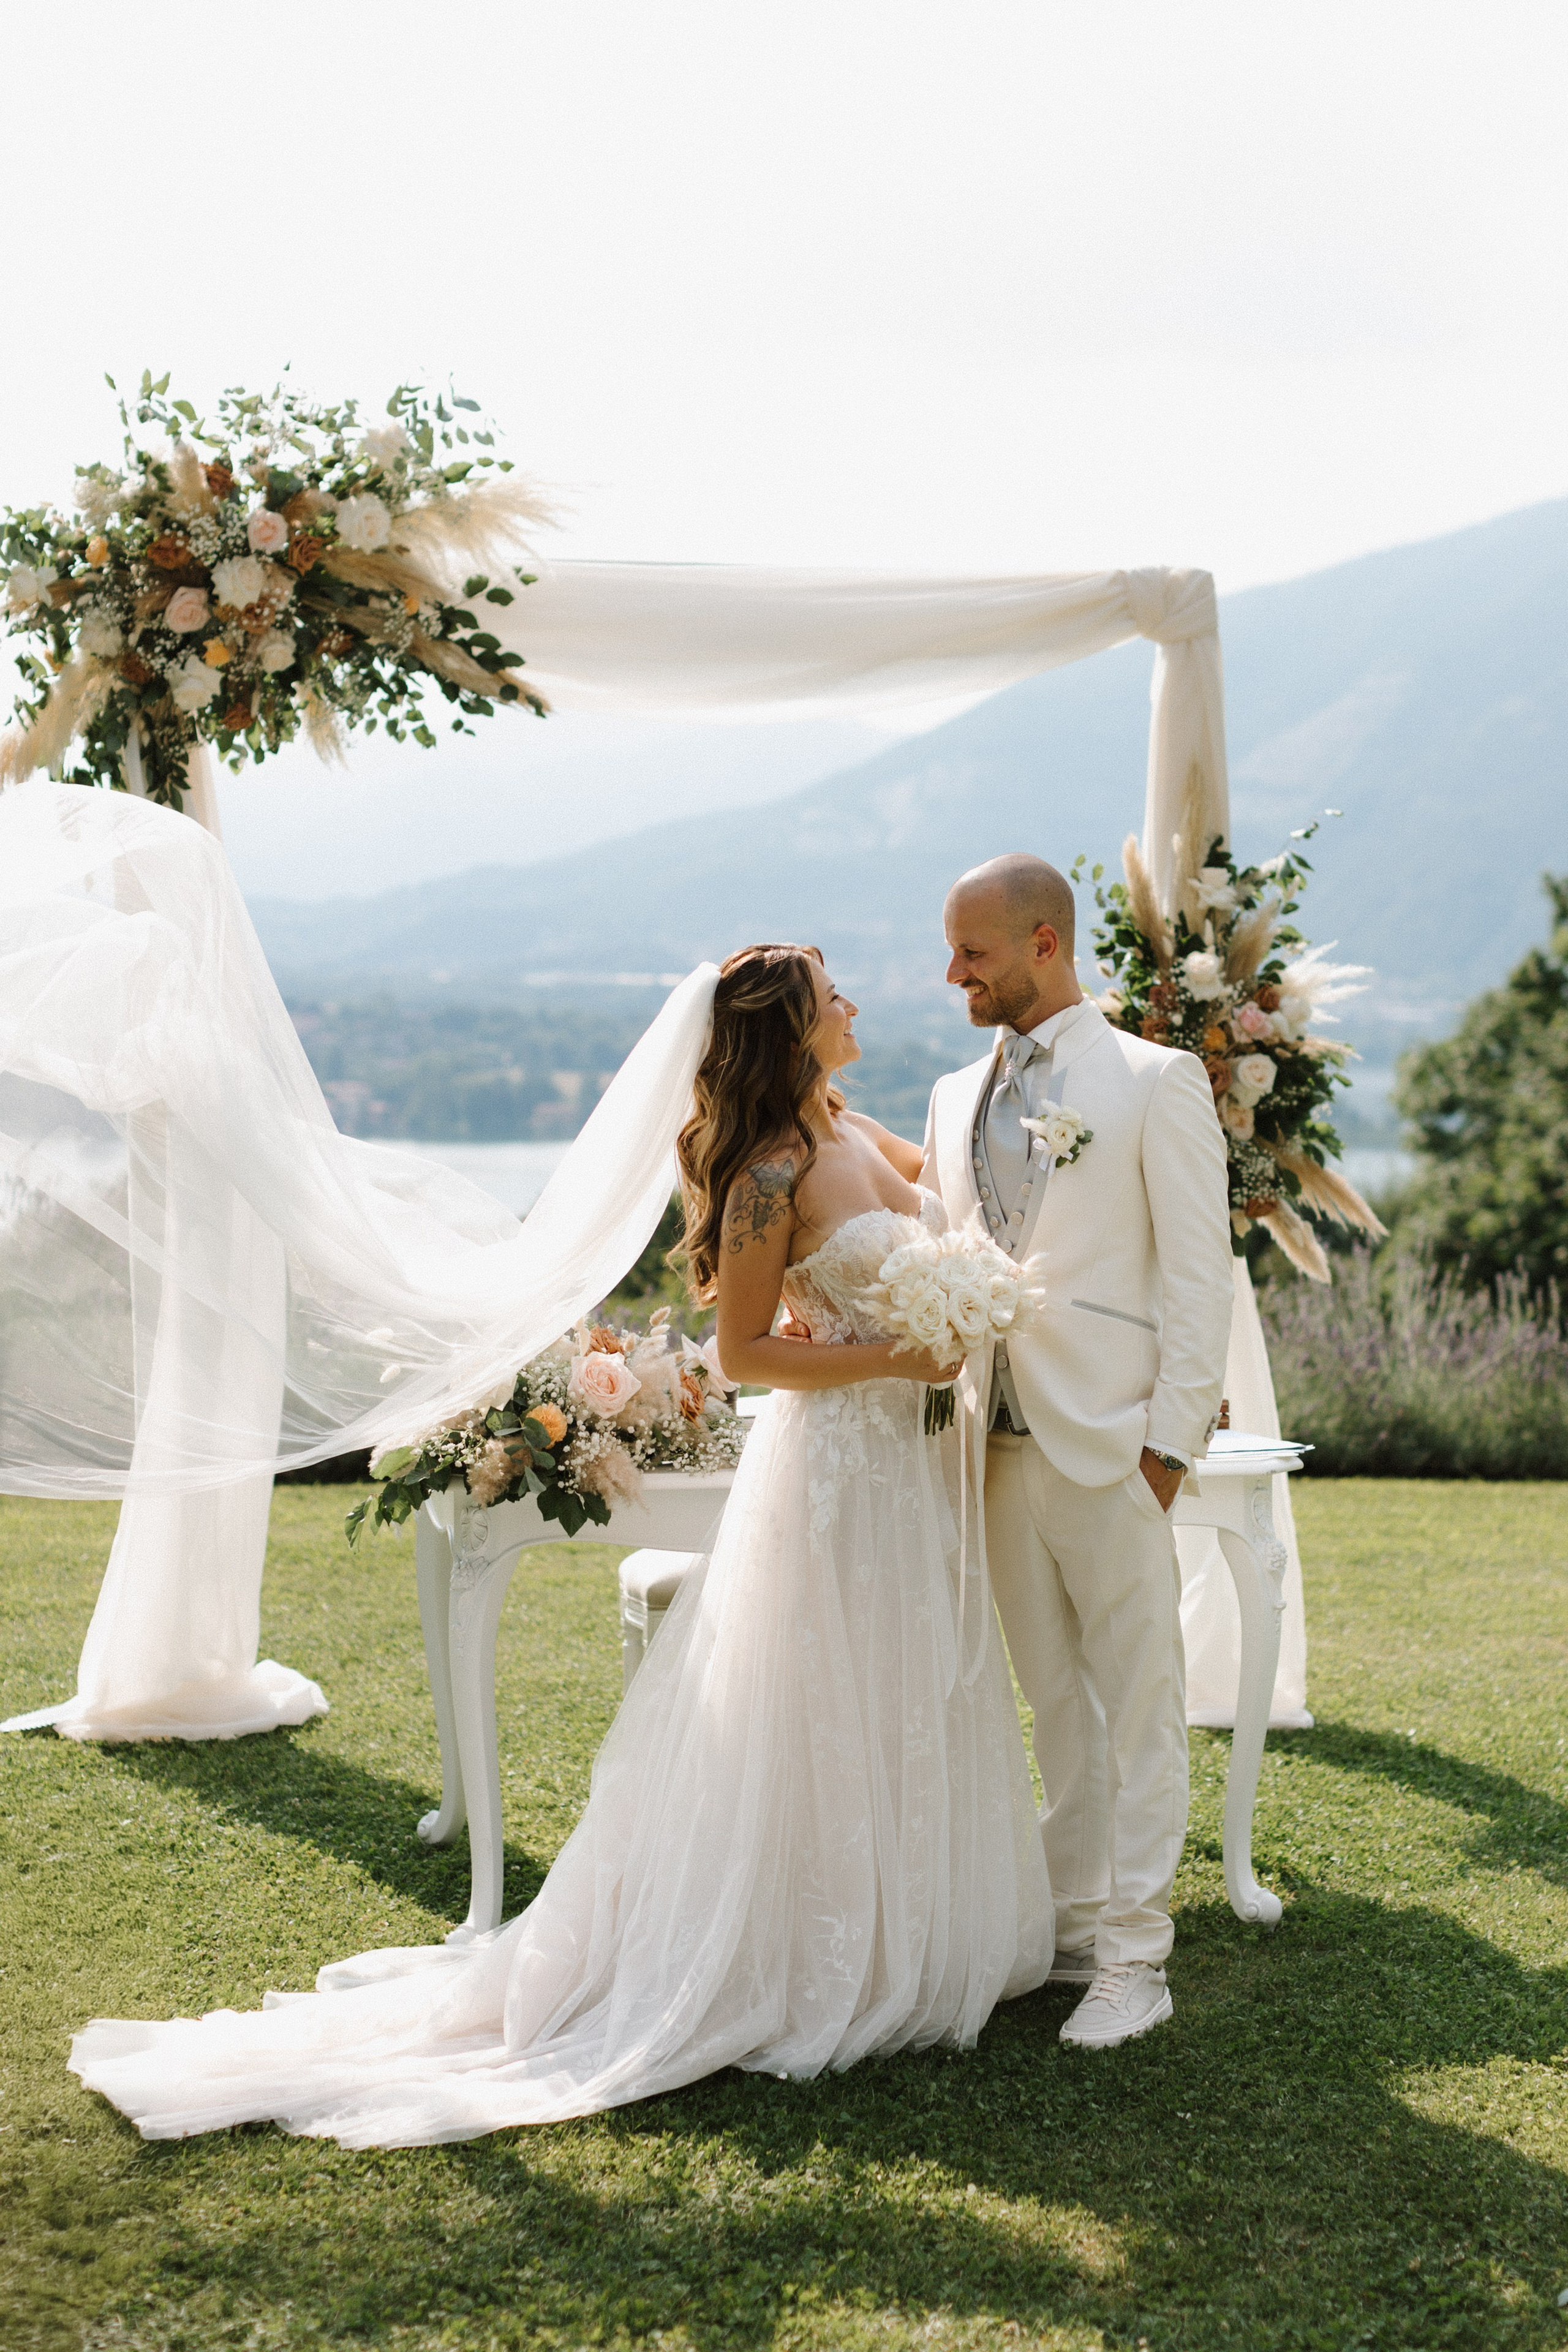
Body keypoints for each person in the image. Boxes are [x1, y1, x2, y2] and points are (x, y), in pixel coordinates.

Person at [72, 943, 1054, 2146]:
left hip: (907, 1470)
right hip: (836, 1468)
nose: (851, 1001)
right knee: (821, 1690)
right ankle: (799, 1944)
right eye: (830, 991)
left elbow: (945, 1215)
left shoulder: (850, 1128)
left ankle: (913, 1923)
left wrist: (971, 1292)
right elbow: (747, 1356)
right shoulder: (768, 1170)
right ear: (791, 1028)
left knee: (905, 1680)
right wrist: (892, 1356)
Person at [923, 854, 1233, 2048]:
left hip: (1110, 1446)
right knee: (1053, 1702)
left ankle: (1138, 1959)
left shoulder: (1156, 1084)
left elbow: (1198, 1280)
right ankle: (1071, 1928)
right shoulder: (955, 1096)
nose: (953, 974)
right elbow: (936, 1251)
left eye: (973, 953)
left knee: (1140, 1703)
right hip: (987, 1448)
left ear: (1043, 943)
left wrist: (1164, 1451)